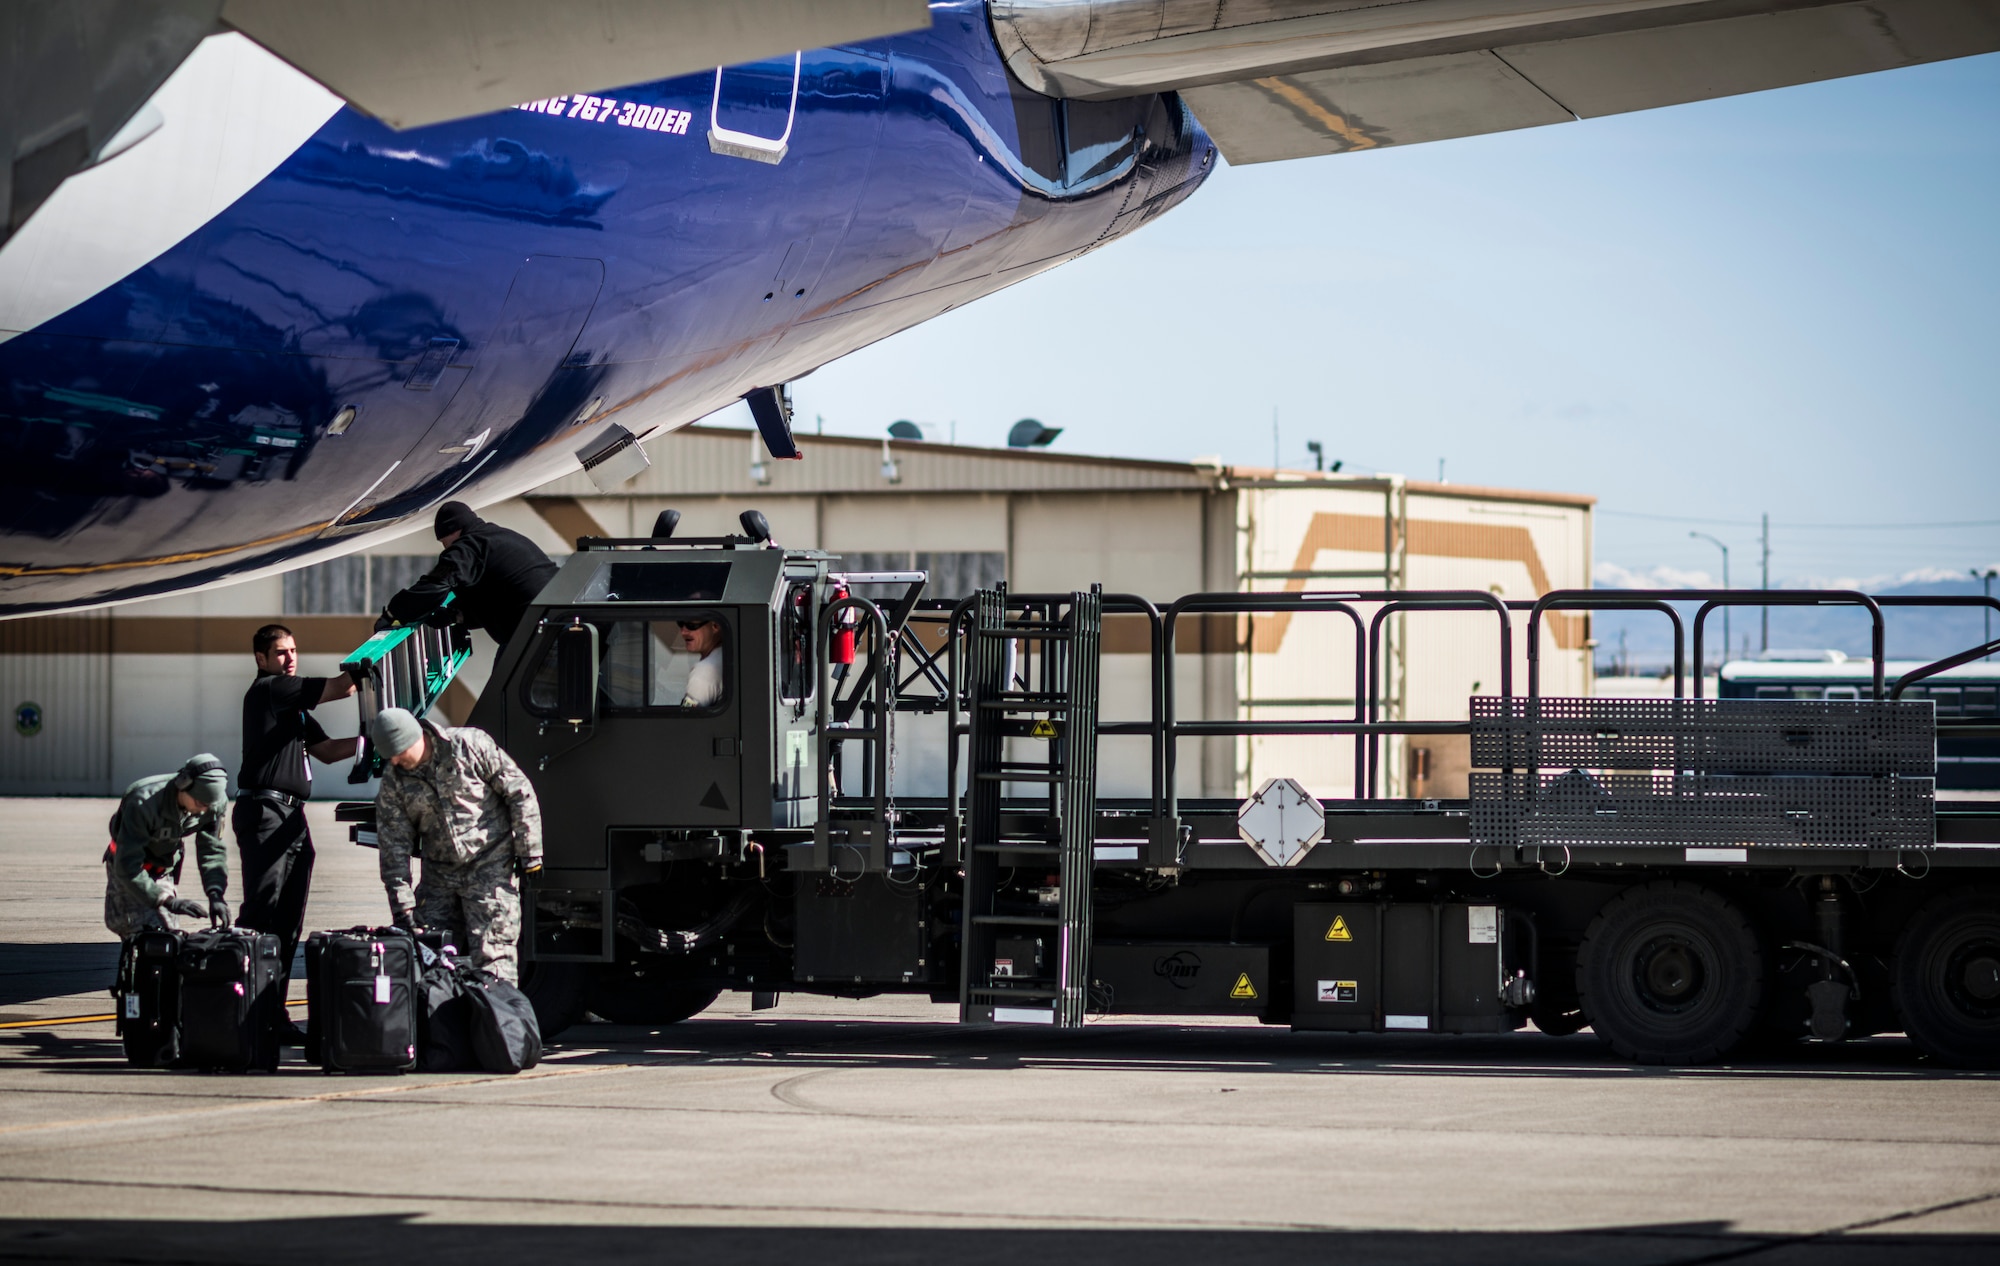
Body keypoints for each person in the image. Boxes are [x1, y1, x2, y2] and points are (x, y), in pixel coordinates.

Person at [235, 624, 359, 1036]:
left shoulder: (294, 709)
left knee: (288, 922)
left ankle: (272, 1013)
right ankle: (241, 1009)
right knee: (261, 913)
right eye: (281, 653)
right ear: (262, 660)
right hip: (265, 811)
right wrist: (370, 665)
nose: (290, 659)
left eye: (293, 651)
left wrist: (372, 741)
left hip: (292, 817)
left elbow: (326, 752)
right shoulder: (271, 689)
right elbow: (341, 688)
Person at [370, 708, 542, 983]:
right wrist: (402, 908)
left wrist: (529, 854)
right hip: (439, 876)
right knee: (430, 957)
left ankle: (495, 1020)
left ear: (415, 738)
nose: (395, 760)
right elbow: (393, 846)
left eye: (399, 752)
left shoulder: (469, 745)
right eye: (389, 755)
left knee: (494, 960)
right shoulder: (394, 781)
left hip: (489, 866)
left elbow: (519, 792)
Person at [380, 501, 558, 650]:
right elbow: (498, 596)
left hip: (536, 636)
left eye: (443, 542)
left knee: (502, 691)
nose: (445, 548)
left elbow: (435, 584)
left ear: (452, 532)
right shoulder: (496, 537)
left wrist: (393, 613)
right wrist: (456, 616)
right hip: (556, 624)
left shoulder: (467, 547)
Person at [103, 755, 232, 938]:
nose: (204, 810)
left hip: (163, 866)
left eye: (209, 805)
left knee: (168, 938)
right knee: (141, 934)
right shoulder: (143, 802)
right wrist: (167, 900)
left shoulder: (213, 805)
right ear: (183, 785)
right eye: (200, 803)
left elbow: (212, 852)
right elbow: (127, 865)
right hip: (129, 867)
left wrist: (216, 894)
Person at [678, 618, 725, 708]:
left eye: (691, 625)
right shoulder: (725, 655)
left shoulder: (705, 671)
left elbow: (687, 719)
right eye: (680, 623)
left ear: (715, 626)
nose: (683, 632)